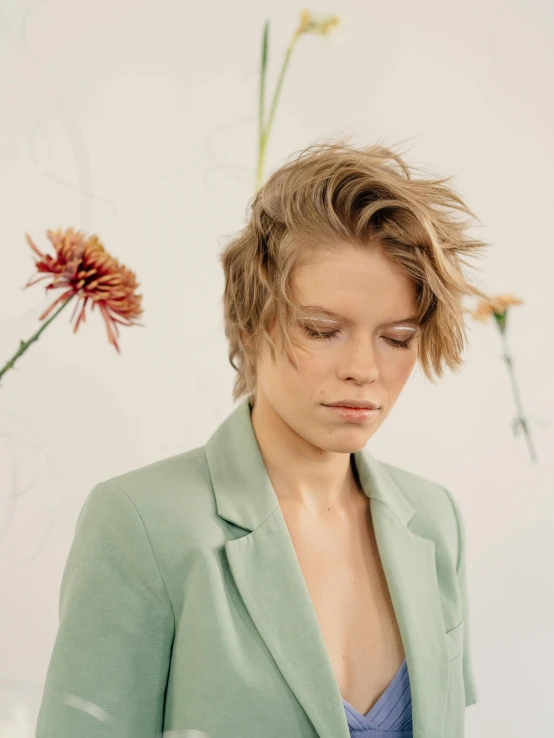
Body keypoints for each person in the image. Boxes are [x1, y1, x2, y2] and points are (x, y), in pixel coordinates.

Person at [35, 139, 487, 738]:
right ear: (252, 319)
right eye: (323, 330)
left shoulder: (433, 518)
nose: (363, 368)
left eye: (397, 338)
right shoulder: (142, 525)